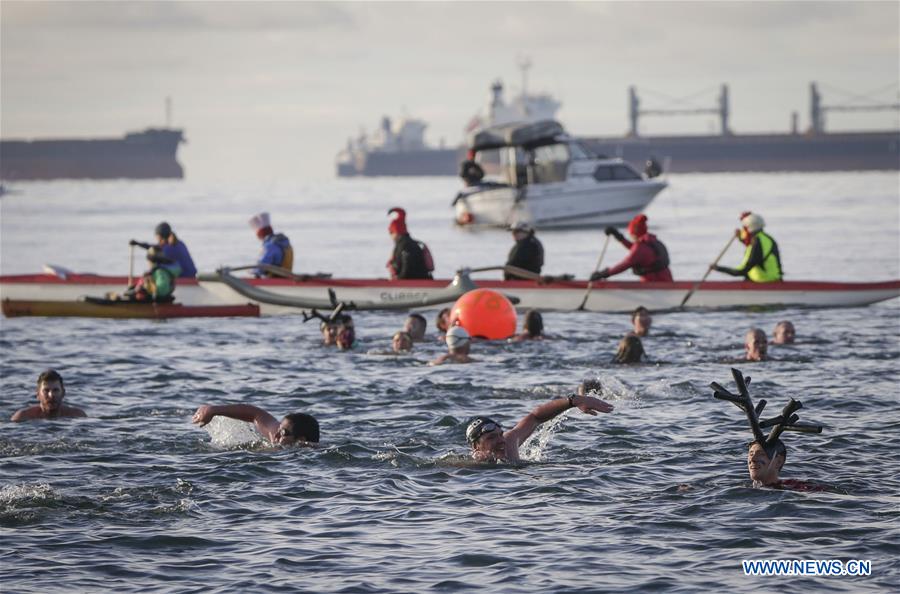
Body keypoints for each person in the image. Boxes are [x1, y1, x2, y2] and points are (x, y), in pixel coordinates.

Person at [465, 380, 614, 463]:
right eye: (491, 438)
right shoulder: (470, 467)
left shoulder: (509, 442)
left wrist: (573, 400)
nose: (500, 441)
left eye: (500, 435)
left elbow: (535, 417)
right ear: (475, 447)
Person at [592, 214, 673, 282]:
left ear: (634, 233)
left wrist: (604, 274)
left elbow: (626, 263)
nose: (630, 235)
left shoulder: (641, 247)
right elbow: (635, 250)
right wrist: (618, 236)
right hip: (666, 281)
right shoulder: (652, 241)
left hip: (655, 284)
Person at [192, 404, 319, 446]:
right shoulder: (277, 437)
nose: (275, 434)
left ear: (301, 441)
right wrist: (213, 410)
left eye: (283, 433)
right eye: (279, 428)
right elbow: (254, 414)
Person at [712, 212, 782, 282]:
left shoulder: (757, 242)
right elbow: (747, 242)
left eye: (744, 228)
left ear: (749, 228)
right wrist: (739, 237)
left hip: (766, 281)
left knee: (747, 273)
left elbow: (743, 270)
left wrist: (718, 268)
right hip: (765, 279)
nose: (743, 231)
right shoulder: (765, 239)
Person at [11, 370, 86, 421]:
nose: (51, 395)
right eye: (46, 391)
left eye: (55, 390)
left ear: (63, 393)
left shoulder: (77, 416)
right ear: (37, 394)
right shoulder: (23, 417)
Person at [129, 222, 197, 278]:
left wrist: (151, 261)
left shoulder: (168, 248)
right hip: (193, 276)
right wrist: (137, 243)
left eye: (157, 238)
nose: (157, 240)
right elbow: (152, 246)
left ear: (162, 237)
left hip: (186, 278)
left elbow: (158, 257)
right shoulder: (179, 243)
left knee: (155, 263)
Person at [386, 207, 433, 280]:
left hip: (416, 282)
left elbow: (407, 266)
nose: (390, 235)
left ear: (396, 232)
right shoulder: (410, 243)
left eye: (391, 232)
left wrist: (399, 279)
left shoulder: (404, 245)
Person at [249, 212, 293, 278]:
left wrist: (254, 273)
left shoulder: (270, 246)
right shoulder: (284, 244)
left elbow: (262, 265)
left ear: (260, 234)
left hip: (276, 280)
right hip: (286, 278)